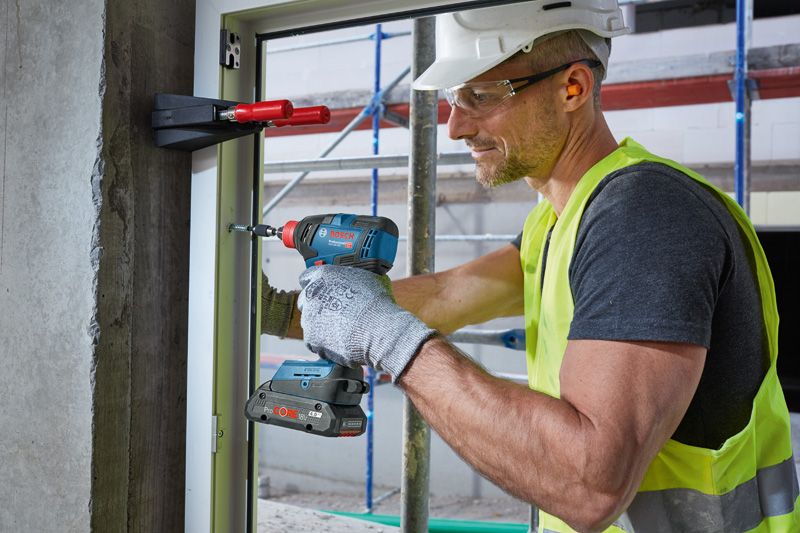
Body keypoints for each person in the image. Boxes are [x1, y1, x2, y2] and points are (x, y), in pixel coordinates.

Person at [262, 1, 800, 531]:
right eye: (454, 98)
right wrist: (287, 311)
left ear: (573, 88)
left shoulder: (644, 215)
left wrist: (387, 339)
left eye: (482, 95)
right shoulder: (562, 219)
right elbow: (451, 295)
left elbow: (591, 485)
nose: (456, 127)